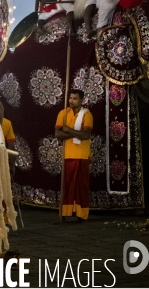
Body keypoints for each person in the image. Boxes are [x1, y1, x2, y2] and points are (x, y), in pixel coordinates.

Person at [54, 89, 93, 222]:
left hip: (82, 154)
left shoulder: (87, 115)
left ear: (81, 100)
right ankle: (65, 212)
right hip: (68, 153)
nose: (71, 101)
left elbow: (86, 135)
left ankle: (81, 214)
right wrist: (76, 133)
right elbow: (58, 134)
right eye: (70, 98)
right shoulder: (63, 113)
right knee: (67, 184)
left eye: (75, 98)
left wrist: (68, 130)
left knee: (81, 186)